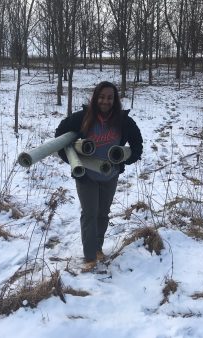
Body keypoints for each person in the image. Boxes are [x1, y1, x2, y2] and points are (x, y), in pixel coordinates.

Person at [55, 81, 143, 272]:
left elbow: (137, 144)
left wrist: (123, 161)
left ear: (115, 100)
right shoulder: (82, 118)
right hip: (87, 177)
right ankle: (89, 256)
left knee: (103, 214)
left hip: (110, 176)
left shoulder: (124, 121)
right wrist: (73, 161)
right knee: (90, 215)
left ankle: (97, 249)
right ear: (96, 98)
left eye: (110, 97)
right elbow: (60, 138)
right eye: (102, 97)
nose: (105, 101)